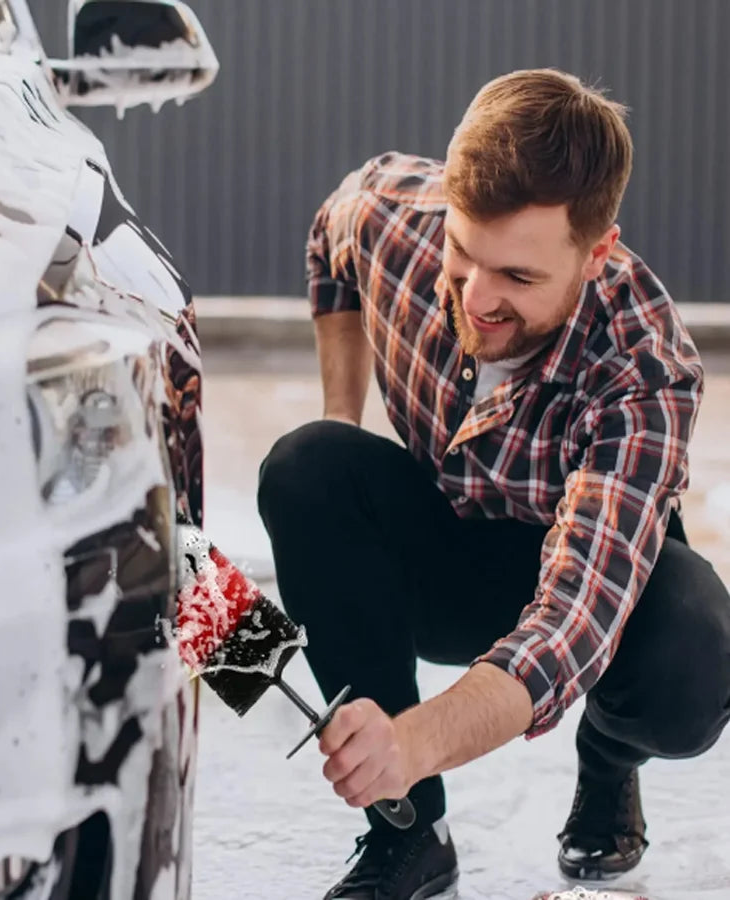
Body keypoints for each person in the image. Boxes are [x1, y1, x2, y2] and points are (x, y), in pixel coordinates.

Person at [256, 69, 730, 900]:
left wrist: (412, 740)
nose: (475, 298)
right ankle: (410, 837)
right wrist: (343, 415)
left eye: (517, 277)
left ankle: (608, 762)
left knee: (696, 657)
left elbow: (570, 620)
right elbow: (330, 239)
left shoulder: (646, 369)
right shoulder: (394, 215)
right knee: (310, 464)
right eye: (463, 251)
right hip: (444, 544)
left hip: (587, 578)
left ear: (598, 251)